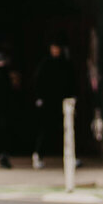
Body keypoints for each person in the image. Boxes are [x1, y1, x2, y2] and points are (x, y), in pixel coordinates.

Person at [30, 41, 72, 171]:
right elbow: (38, 81)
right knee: (46, 129)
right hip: (48, 103)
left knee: (67, 129)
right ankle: (38, 155)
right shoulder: (46, 64)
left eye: (57, 48)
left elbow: (69, 81)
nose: (56, 50)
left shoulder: (64, 63)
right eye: (54, 48)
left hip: (62, 102)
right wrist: (39, 98)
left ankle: (70, 156)